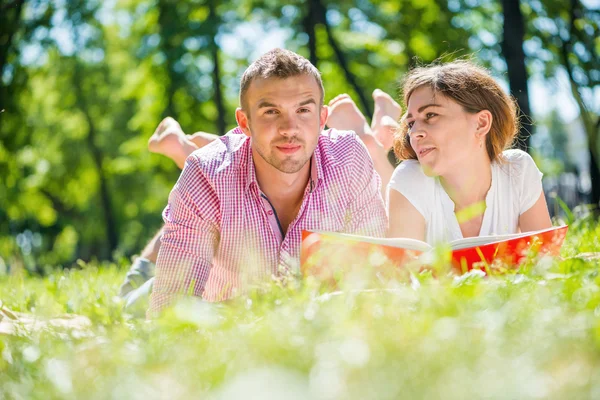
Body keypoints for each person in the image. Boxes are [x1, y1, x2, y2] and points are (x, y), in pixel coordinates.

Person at [148, 48, 388, 315]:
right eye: (271, 112)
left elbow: (370, 280)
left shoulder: (348, 158)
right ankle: (177, 142)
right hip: (203, 307)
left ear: (322, 120)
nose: (289, 128)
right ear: (244, 122)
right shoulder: (206, 173)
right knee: (135, 294)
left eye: (303, 110)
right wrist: (276, 311)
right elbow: (169, 310)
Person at [386, 60, 552, 244]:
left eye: (431, 115)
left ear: (481, 123)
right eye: (411, 123)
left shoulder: (518, 171)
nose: (415, 133)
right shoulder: (410, 178)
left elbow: (546, 260)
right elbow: (404, 271)